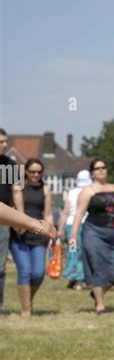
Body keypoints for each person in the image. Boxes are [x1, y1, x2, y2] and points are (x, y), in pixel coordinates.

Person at [69, 158, 114, 314]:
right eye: (97, 168)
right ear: (92, 173)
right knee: (99, 267)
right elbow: (79, 214)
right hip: (94, 233)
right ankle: (100, 305)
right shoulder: (87, 191)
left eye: (104, 167)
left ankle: (97, 292)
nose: (101, 170)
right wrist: (73, 236)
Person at [9, 159, 54, 316]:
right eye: (32, 172)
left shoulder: (45, 189)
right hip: (20, 233)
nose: (36, 175)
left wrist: (51, 231)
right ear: (26, 172)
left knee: (38, 273)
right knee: (25, 270)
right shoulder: (18, 186)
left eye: (39, 172)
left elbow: (48, 213)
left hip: (39, 234)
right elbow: (18, 209)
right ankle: (26, 309)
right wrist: (20, 225)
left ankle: (28, 300)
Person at [58, 169, 92, 290]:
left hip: (70, 227)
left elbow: (65, 212)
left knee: (72, 251)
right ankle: (79, 279)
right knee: (82, 253)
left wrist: (60, 229)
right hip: (85, 226)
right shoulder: (90, 192)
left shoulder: (71, 193)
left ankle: (72, 277)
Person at [0, 127, 23, 310]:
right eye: (1, 142)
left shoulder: (9, 164)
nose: (5, 145)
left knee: (0, 265)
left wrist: (21, 219)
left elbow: (16, 191)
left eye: (5, 141)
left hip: (3, 221)